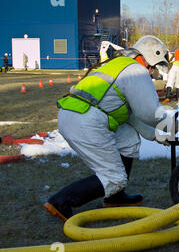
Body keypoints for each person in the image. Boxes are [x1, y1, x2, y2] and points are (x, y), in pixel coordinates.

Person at [43, 35, 172, 222]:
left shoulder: (120, 65)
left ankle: (115, 197)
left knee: (129, 141)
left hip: (80, 114)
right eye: (154, 66)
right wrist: (175, 125)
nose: (152, 72)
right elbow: (150, 113)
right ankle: (60, 201)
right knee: (114, 177)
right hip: (85, 120)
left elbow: (133, 116)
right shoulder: (136, 70)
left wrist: (156, 135)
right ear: (149, 57)